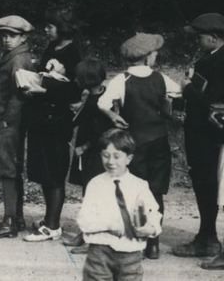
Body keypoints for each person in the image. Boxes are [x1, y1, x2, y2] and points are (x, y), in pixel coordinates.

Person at [97, 32, 180, 260]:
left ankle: (136, 239)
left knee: (134, 189)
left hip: (135, 143)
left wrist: (113, 116)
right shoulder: (161, 78)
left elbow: (102, 102)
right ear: (147, 57)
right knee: (156, 190)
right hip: (159, 141)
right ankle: (153, 243)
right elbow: (177, 92)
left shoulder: (121, 81)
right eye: (154, 54)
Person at [76, 129, 162, 281]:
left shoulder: (140, 186)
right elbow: (84, 221)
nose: (110, 162)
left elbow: (154, 214)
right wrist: (110, 224)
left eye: (117, 156)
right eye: (105, 155)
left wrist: (150, 228)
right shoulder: (95, 184)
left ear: (129, 158)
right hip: (100, 252)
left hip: (131, 253)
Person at [23, 20, 82, 242]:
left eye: (50, 26)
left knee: (55, 171)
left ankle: (53, 224)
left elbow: (73, 91)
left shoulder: (74, 53)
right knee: (44, 170)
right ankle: (49, 218)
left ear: (63, 27)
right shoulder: (52, 48)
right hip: (41, 117)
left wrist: (42, 91)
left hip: (58, 119)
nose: (46, 30)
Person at [175, 13, 224, 266]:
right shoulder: (210, 57)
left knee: (207, 186)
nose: (196, 41)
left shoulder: (219, 62)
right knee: (204, 185)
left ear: (214, 38)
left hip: (208, 134)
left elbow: (214, 102)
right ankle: (206, 235)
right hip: (202, 131)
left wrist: (187, 88)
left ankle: (208, 238)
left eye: (200, 37)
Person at [0, 15, 35, 240]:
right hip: (8, 121)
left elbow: (18, 95)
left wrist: (7, 120)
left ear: (23, 37)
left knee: (7, 170)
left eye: (12, 35)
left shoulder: (18, 60)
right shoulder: (13, 56)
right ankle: (16, 217)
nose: (6, 39)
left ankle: (9, 221)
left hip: (8, 122)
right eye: (3, 35)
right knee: (11, 168)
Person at [65, 58, 112, 253]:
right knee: (90, 193)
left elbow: (99, 130)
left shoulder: (96, 103)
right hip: (93, 152)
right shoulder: (102, 96)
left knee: (93, 194)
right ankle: (85, 233)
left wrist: (83, 147)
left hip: (93, 154)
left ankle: (93, 238)